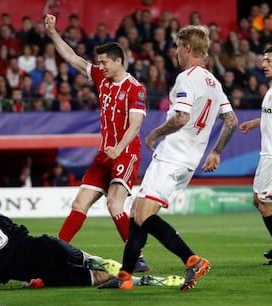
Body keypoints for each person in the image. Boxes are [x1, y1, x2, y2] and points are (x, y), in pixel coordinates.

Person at [99, 25, 238, 291]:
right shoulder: (214, 82)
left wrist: (155, 134)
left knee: (144, 215)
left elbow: (182, 117)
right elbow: (231, 121)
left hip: (173, 155)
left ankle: (192, 260)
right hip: (188, 159)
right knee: (137, 211)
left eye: (177, 46)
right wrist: (216, 151)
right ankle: (125, 276)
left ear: (187, 47)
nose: (175, 51)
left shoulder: (187, 78)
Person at [44, 14, 149, 272]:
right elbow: (72, 58)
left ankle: (137, 257)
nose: (99, 66)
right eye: (99, 62)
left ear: (118, 61)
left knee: (114, 203)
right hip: (105, 154)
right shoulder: (101, 79)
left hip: (125, 153)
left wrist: (119, 147)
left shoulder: (136, 88)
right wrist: (53, 33)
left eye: (104, 62)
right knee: (79, 203)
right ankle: (57, 252)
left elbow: (135, 125)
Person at [0, 195, 112, 288]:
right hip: (44, 245)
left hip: (32, 270)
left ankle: (123, 277)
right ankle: (126, 270)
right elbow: (15, 229)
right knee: (89, 260)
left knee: (97, 277)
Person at [239, 47, 272, 266]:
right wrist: (256, 122)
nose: (264, 65)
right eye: (264, 60)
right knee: (256, 200)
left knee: (265, 205)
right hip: (265, 154)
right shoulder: (270, 90)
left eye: (269, 61)